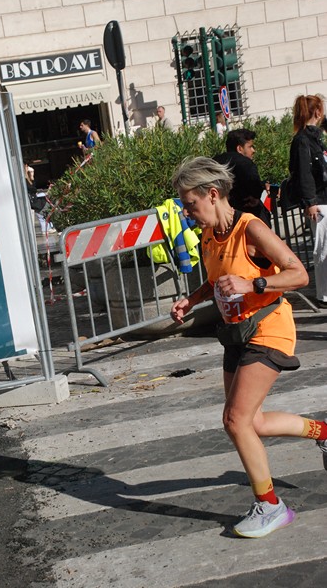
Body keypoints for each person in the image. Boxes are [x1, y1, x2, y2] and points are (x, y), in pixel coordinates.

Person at [170, 156, 327, 538]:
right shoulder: (209, 235)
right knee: (249, 422)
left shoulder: (250, 228)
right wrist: (191, 300)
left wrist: (253, 285)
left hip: (269, 328)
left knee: (235, 420)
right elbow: (217, 280)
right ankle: (323, 432)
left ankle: (271, 506)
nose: (187, 212)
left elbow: (298, 273)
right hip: (235, 333)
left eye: (190, 204)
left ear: (212, 194)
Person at [288, 94, 327, 309]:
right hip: (319, 202)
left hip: (322, 199)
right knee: (323, 249)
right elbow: (303, 173)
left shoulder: (313, 138)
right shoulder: (304, 139)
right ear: (317, 112)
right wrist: (310, 202)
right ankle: (324, 294)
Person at [214, 129, 271, 227]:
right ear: (239, 148)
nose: (253, 150)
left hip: (222, 219)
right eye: (250, 146)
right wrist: (257, 193)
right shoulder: (246, 163)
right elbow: (254, 185)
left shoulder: (214, 162)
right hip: (249, 217)